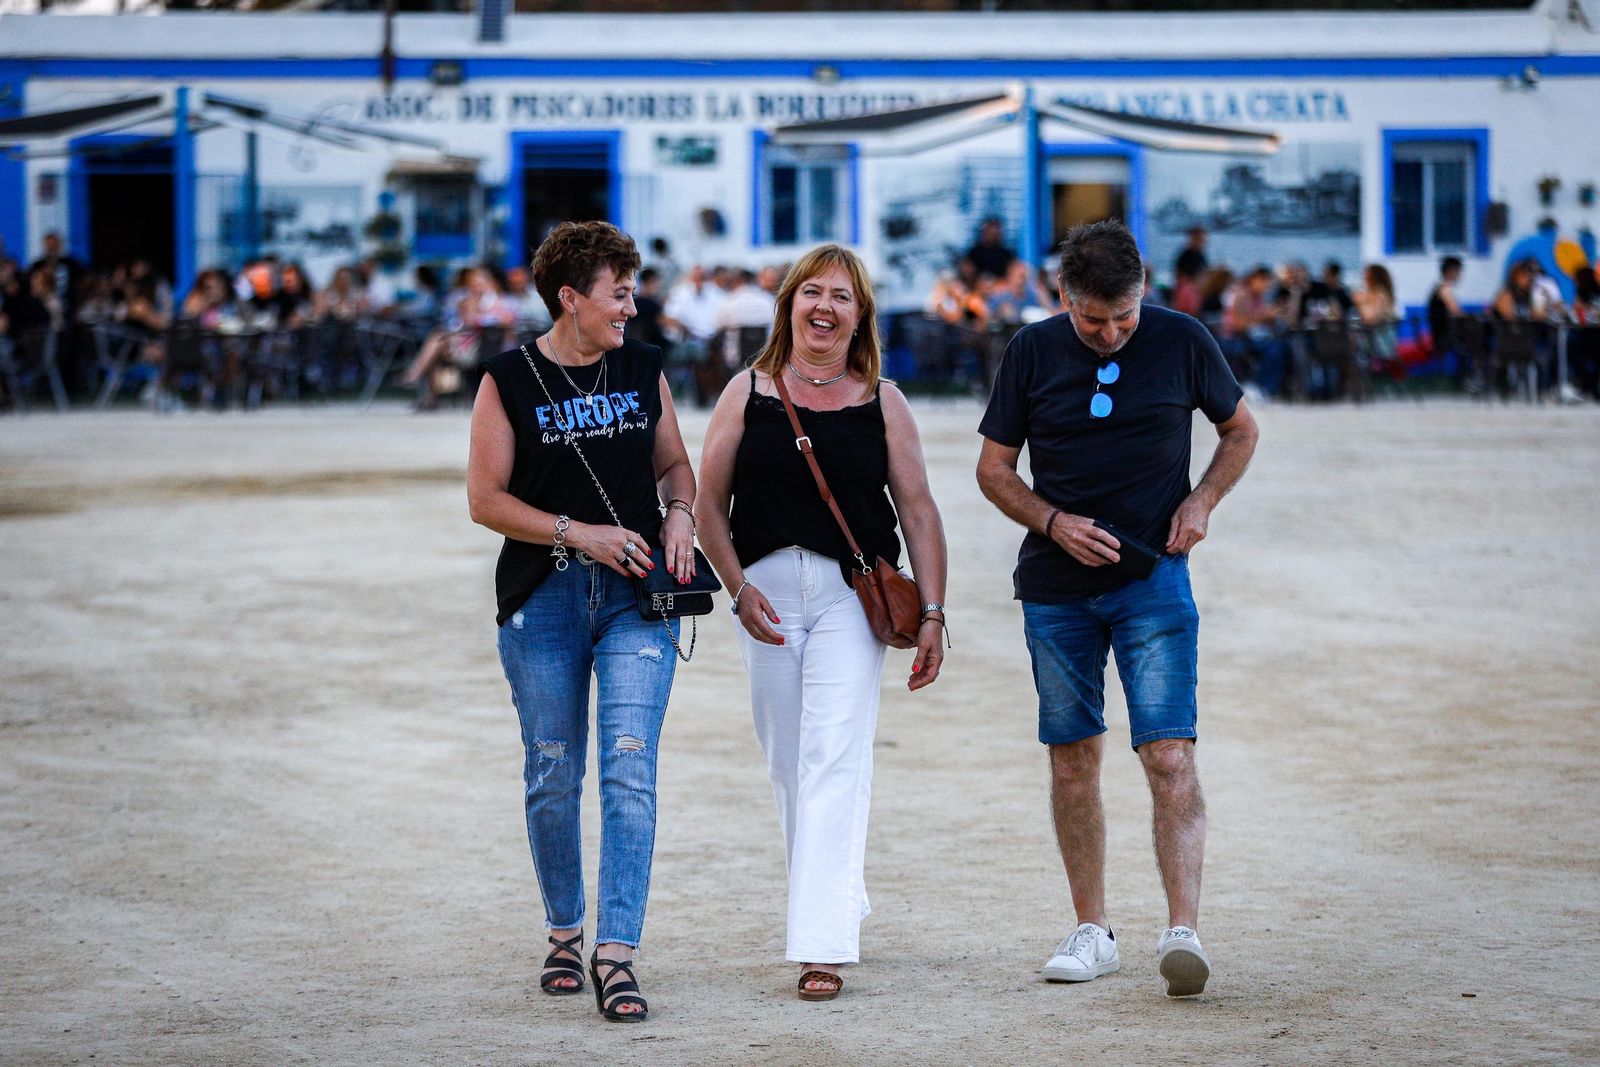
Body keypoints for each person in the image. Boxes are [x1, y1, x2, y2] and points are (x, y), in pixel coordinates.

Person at [975, 220, 1258, 999]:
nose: (1108, 333)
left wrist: (1202, 501)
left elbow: (1240, 430)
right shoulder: (1031, 350)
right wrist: (1051, 521)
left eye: (1123, 317)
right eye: (1092, 319)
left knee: (1168, 753)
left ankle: (1183, 930)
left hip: (1154, 581)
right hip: (1056, 591)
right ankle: (1092, 929)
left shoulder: (1184, 339)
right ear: (1063, 297)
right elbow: (994, 470)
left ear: (1146, 291)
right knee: (1073, 755)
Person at [695, 243, 949, 1003]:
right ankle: (837, 896)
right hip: (763, 593)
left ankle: (822, 944)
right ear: (789, 305)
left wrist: (934, 609)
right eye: (812, 292)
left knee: (834, 755)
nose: (825, 307)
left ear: (860, 314)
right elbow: (707, 504)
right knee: (788, 764)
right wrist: (734, 587)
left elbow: (919, 510)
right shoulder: (748, 390)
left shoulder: (883, 399)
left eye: (842, 296)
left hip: (851, 594)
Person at [466, 221, 698, 1023]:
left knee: (630, 765)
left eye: (634, 290)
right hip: (545, 596)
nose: (632, 306)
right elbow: (485, 500)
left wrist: (678, 514)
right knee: (554, 770)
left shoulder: (642, 367)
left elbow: (675, 464)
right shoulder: (508, 378)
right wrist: (578, 531)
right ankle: (565, 931)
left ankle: (617, 952)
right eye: (619, 293)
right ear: (571, 298)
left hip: (638, 596)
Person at [965, 216, 1017, 280]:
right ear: (983, 233)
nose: (992, 236)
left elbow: (1013, 275)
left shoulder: (1007, 254)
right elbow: (968, 274)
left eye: (995, 234)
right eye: (990, 233)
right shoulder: (974, 253)